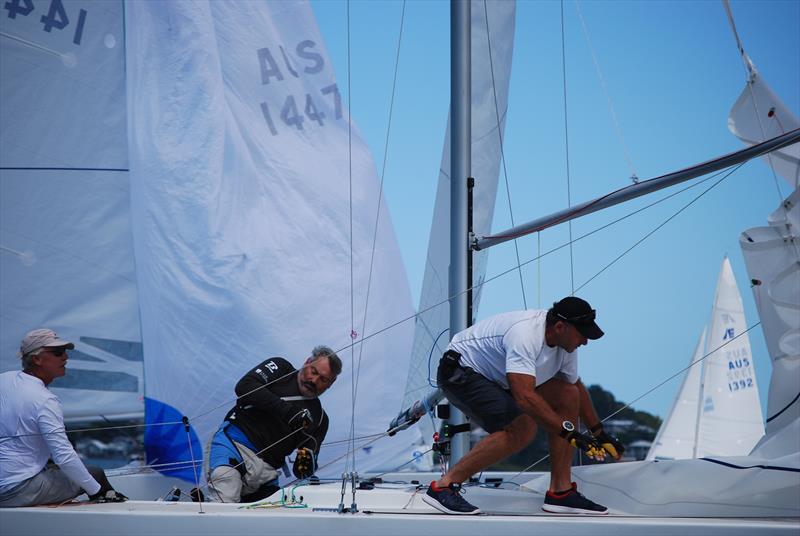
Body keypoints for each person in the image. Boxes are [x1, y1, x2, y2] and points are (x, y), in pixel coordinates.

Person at [422, 297, 625, 516]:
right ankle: (443, 488)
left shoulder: (566, 346)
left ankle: (560, 492)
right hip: (460, 371)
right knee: (523, 428)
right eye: (582, 334)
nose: (585, 341)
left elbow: (574, 385)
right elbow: (524, 397)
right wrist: (570, 433)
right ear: (559, 327)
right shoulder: (525, 335)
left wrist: (599, 433)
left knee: (568, 394)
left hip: (499, 378)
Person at [0, 329, 126, 507]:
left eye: (65, 352)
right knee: (95, 473)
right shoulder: (45, 400)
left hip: (6, 483)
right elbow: (64, 457)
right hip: (17, 490)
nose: (65, 358)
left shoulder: (4, 379)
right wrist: (96, 491)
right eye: (58, 353)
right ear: (36, 359)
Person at [205, 346, 341, 502]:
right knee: (225, 501)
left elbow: (302, 470)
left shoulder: (321, 419)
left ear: (331, 383)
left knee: (271, 520)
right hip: (233, 447)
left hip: (266, 472)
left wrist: (306, 465)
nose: (314, 380)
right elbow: (245, 386)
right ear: (307, 362)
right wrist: (288, 412)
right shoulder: (281, 369)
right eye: (314, 371)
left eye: (323, 379)